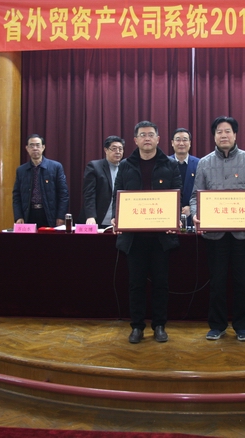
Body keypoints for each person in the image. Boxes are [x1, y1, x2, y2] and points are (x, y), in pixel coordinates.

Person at [190, 116, 245, 342]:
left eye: (228, 131)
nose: (223, 135)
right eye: (219, 132)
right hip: (215, 234)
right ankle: (217, 325)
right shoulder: (204, 163)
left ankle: (242, 326)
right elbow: (195, 197)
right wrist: (196, 214)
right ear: (214, 136)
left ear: (235, 135)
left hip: (244, 234)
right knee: (217, 282)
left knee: (244, 282)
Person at [111, 121, 182, 344]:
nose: (147, 138)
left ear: (158, 139)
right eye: (142, 135)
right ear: (135, 140)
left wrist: (174, 217)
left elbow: (177, 194)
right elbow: (117, 195)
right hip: (134, 238)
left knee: (161, 283)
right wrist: (117, 216)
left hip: (161, 238)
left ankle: (159, 325)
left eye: (151, 134)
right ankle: (137, 326)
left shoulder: (170, 164)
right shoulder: (125, 165)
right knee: (136, 284)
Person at [12, 134, 69, 228]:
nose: (35, 148)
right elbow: (16, 196)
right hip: (29, 214)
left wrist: (60, 216)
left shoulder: (55, 167)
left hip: (49, 214)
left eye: (38, 145)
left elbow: (63, 194)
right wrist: (18, 216)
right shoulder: (21, 170)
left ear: (43, 147)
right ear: (27, 148)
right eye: (31, 145)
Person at [81, 136, 124, 228]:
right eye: (114, 148)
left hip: (119, 220)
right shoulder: (95, 166)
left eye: (120, 149)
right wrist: (90, 216)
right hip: (99, 218)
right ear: (106, 150)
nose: (118, 152)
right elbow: (89, 193)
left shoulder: (125, 168)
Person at [168, 128, 199, 218]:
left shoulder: (199, 163)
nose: (181, 143)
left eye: (185, 140)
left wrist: (192, 208)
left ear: (190, 143)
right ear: (172, 143)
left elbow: (203, 189)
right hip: (170, 215)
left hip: (193, 216)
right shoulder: (165, 164)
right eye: (178, 140)